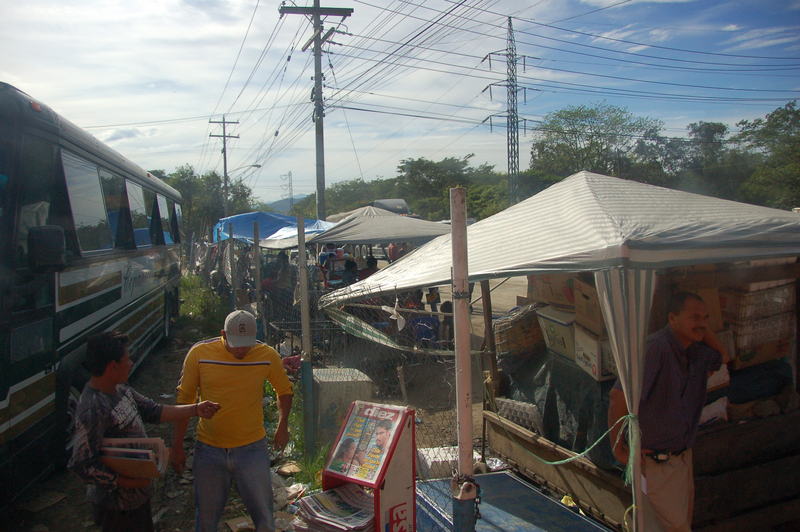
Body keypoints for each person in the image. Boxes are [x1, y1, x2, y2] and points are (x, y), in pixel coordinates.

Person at [69, 331, 220, 532]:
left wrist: (195, 409)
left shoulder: (120, 388)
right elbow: (82, 465)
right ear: (112, 367)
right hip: (117, 508)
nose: (131, 363)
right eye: (127, 360)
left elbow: (153, 411)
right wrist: (127, 482)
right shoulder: (93, 408)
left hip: (137, 500)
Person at [608, 292, 730, 532]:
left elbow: (723, 356)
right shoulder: (657, 348)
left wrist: (701, 329)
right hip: (656, 464)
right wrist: (618, 448)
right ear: (672, 318)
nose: (702, 323)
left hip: (681, 461)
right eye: (695, 317)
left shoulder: (695, 352)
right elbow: (618, 396)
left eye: (705, 318)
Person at [172, 310, 294, 532]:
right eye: (236, 343)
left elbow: (284, 390)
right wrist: (177, 445)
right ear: (223, 335)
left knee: (265, 519)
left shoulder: (266, 355)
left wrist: (282, 426)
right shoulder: (199, 354)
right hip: (209, 450)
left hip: (252, 450)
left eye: (246, 344)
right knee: (206, 521)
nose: (241, 350)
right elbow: (184, 400)